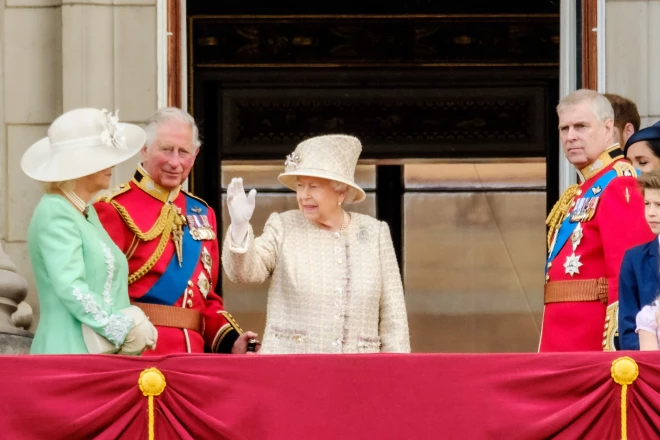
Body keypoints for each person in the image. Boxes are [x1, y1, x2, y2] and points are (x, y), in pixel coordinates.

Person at [222, 134, 410, 354]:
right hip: (292, 372)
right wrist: (239, 227)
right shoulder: (284, 226)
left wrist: (398, 377)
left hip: (360, 375)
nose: (303, 196)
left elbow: (393, 318)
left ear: (340, 190)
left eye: (313, 187)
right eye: (300, 186)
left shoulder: (375, 233)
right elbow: (244, 272)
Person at [94, 107, 257, 355]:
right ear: (145, 148)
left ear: (196, 154)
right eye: (166, 149)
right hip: (137, 355)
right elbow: (99, 295)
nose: (175, 162)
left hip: (193, 360)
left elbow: (206, 299)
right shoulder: (113, 209)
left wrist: (231, 341)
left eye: (183, 152)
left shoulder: (202, 213)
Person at [21, 107, 158, 355]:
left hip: (97, 355)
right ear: (78, 164)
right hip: (67, 353)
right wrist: (123, 329)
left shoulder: (87, 212)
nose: (113, 164)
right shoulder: (54, 211)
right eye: (101, 157)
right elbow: (71, 287)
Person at [539, 89, 653, 352]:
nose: (571, 136)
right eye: (564, 128)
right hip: (564, 340)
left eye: (581, 126)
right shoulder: (584, 188)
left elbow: (629, 276)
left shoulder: (620, 183)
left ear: (607, 127)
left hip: (592, 344)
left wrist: (622, 350)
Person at [618, 168, 660, 349]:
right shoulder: (634, 260)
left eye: (659, 205)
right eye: (647, 203)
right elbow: (627, 329)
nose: (650, 212)